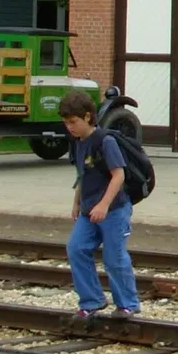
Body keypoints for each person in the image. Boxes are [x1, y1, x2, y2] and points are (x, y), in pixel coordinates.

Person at [60, 89, 141, 318]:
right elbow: (83, 175)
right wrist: (77, 202)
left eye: (73, 122)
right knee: (76, 248)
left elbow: (119, 175)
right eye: (66, 123)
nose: (70, 127)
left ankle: (128, 304)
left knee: (114, 257)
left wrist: (104, 205)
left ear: (87, 116)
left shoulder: (105, 141)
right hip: (89, 209)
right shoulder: (78, 143)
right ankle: (92, 300)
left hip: (114, 209)